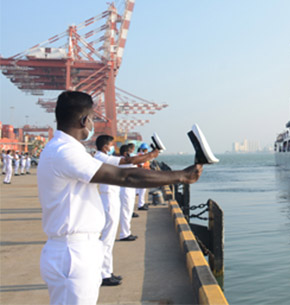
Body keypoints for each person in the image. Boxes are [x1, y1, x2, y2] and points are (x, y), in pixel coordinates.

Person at [38, 91, 202, 305]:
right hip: (73, 252)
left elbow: (124, 169)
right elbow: (126, 176)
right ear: (83, 120)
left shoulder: (61, 149)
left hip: (73, 248)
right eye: (93, 118)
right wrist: (182, 176)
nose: (93, 124)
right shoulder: (65, 152)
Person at [95, 136, 156, 287]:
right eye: (111, 144)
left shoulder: (105, 157)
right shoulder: (102, 157)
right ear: (104, 146)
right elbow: (129, 162)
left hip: (111, 196)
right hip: (108, 197)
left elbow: (128, 164)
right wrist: (152, 154)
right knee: (107, 239)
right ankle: (103, 274)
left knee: (109, 238)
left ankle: (107, 271)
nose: (112, 147)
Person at [136, 143, 151, 211]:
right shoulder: (142, 156)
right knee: (142, 191)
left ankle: (141, 204)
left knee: (141, 191)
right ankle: (140, 205)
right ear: (145, 149)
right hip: (142, 175)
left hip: (141, 175)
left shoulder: (140, 155)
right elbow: (141, 165)